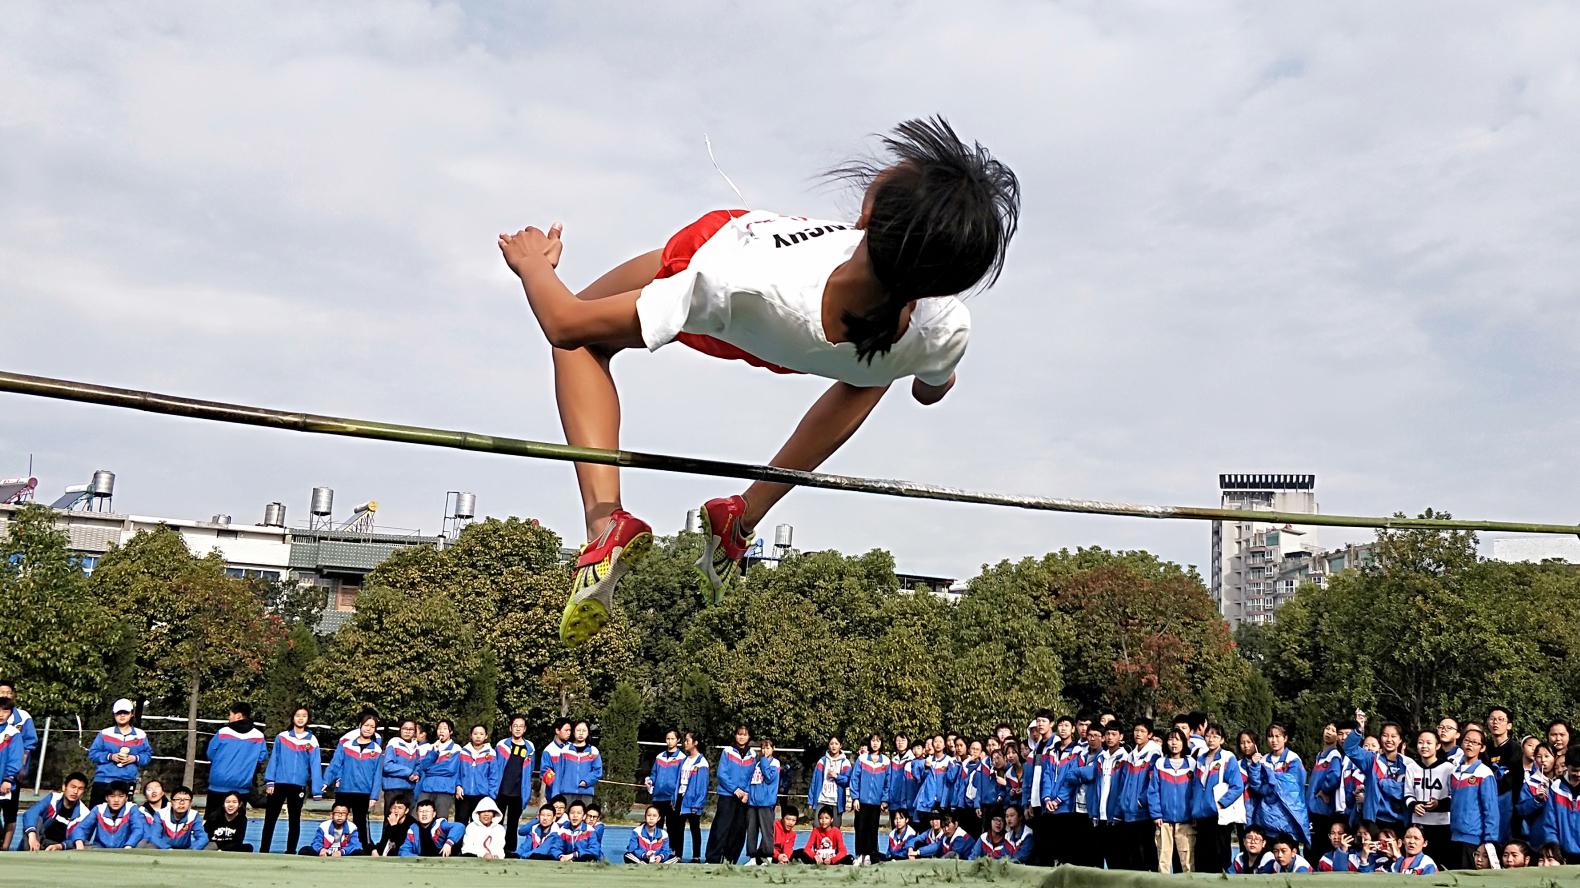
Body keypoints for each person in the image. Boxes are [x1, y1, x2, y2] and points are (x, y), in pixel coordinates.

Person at [517, 117, 1022, 649]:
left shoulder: (731, 281)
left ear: (868, 212)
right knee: (880, 370)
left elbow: (566, 323)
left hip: (724, 290)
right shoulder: (945, 329)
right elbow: (928, 389)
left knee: (583, 347)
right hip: (830, 348)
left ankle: (604, 525)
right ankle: (743, 516)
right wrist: (932, 374)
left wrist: (534, 265)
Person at [262, 705, 323, 854]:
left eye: (304, 715)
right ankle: (264, 850)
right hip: (279, 784)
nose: (301, 718)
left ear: (308, 719)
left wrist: (317, 790)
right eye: (298, 715)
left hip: (298, 786)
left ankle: (290, 851)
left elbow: (315, 765)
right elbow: (274, 759)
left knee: (294, 820)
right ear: (292, 717)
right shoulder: (282, 737)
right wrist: (270, 781)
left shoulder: (312, 740)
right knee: (270, 819)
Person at [1189, 722, 1242, 874]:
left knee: (1220, 857)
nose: (1211, 739)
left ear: (1222, 740)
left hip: (1219, 817)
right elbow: (1195, 787)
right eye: (1208, 735)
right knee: (1202, 858)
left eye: (1215, 736)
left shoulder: (1227, 757)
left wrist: (1220, 804)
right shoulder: (1200, 758)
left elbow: (1237, 786)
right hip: (1201, 815)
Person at [1247, 722, 1308, 852]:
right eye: (1270, 736)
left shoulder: (1293, 759)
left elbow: (1290, 788)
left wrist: (1269, 780)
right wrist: (1254, 766)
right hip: (1267, 818)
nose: (1274, 740)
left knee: (1287, 857)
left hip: (1288, 819)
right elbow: (1256, 786)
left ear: (1285, 738)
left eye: (1278, 736)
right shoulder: (1263, 760)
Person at [323, 711, 382, 840]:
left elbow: (377, 775)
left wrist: (374, 796)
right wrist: (326, 781)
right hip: (344, 790)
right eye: (366, 725)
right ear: (360, 725)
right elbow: (335, 764)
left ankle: (361, 849)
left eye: (372, 727)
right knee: (339, 820)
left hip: (363, 793)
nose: (368, 729)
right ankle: (335, 845)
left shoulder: (377, 750)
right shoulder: (346, 745)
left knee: (360, 823)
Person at [1344, 715, 1410, 829]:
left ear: (1400, 740)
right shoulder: (1371, 760)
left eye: (1393, 736)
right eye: (1385, 735)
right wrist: (1359, 728)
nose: (1389, 740)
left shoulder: (1408, 764)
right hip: (1374, 821)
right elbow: (1350, 748)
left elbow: (1406, 791)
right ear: (1380, 739)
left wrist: (1383, 784)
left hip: (1399, 821)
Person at [1450, 726, 1501, 869]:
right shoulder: (1454, 771)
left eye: (1475, 742)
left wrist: (1489, 840)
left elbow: (1491, 810)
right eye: (1467, 741)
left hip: (1474, 838)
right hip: (1454, 836)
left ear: (1482, 747)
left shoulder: (1484, 773)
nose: (1470, 744)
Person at [206, 702, 268, 814]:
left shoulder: (223, 732)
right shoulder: (259, 736)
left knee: (211, 823)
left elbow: (210, 754)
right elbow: (261, 757)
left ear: (238, 715)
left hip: (218, 784)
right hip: (242, 786)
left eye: (230, 714)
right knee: (237, 823)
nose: (228, 717)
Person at [1148, 728, 1195, 874]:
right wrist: (1156, 814)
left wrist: (1194, 814)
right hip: (1164, 822)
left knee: (1188, 862)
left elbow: (1197, 791)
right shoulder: (1160, 763)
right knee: (1163, 861)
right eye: (1170, 739)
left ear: (1184, 743)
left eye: (1177, 739)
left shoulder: (1192, 764)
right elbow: (1153, 790)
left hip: (1186, 821)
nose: (1174, 743)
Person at [705, 724, 755, 864]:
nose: (742, 737)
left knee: (739, 830)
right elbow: (722, 774)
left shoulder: (753, 755)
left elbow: (753, 776)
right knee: (721, 827)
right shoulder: (727, 751)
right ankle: (713, 858)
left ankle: (730, 858)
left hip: (744, 798)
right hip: (727, 796)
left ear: (749, 737)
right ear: (735, 735)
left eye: (744, 734)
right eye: (739, 734)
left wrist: (746, 792)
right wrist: (735, 790)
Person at [87, 699, 150, 806]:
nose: (122, 715)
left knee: (123, 818)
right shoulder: (105, 733)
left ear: (131, 714)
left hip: (127, 781)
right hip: (103, 781)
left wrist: (134, 758)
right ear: (114, 715)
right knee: (97, 816)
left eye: (125, 712)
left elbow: (147, 755)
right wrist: (110, 756)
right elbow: (93, 754)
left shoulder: (140, 735)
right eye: (118, 713)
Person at [1405, 727, 1454, 855]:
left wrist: (1439, 804)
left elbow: (1453, 795)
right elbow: (1408, 794)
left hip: (1442, 824)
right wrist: (1414, 805)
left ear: (1437, 746)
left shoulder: (1448, 768)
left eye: (1429, 743)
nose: (1424, 746)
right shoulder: (1411, 767)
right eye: (1420, 742)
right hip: (1418, 824)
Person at [0, 683, 36, 850]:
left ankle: (5, 848)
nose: (5, 695)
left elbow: (19, 754)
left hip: (9, 781)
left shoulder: (15, 729)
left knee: (10, 815)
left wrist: (10, 777)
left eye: (8, 692)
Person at [493, 714, 535, 855]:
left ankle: (510, 850)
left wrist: (527, 791)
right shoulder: (501, 745)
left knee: (513, 824)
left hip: (518, 792)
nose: (518, 729)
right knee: (496, 821)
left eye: (521, 726)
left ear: (525, 729)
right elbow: (495, 767)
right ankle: (495, 848)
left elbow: (529, 771)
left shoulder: (530, 748)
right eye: (515, 726)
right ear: (510, 728)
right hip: (501, 790)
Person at [18, 771, 89, 852]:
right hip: (39, 840)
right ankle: (28, 854)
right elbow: (31, 813)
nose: (75, 792)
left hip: (60, 847)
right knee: (37, 820)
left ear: (83, 793)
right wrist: (32, 835)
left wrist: (60, 846)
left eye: (80, 789)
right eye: (73, 787)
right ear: (64, 787)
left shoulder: (84, 813)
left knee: (84, 842)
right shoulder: (53, 798)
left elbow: (79, 838)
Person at [850, 733, 889, 865]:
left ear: (881, 743)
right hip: (862, 802)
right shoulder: (862, 759)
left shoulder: (886, 761)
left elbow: (887, 783)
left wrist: (884, 799)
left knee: (872, 830)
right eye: (873, 740)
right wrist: (855, 798)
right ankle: (859, 855)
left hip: (876, 803)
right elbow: (854, 779)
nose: (875, 743)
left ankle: (868, 856)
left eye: (878, 741)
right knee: (860, 828)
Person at [69, 781, 141, 849]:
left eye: (121, 796)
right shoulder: (98, 809)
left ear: (126, 798)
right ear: (106, 798)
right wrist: (79, 841)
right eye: (112, 796)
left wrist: (129, 845)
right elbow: (81, 828)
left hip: (124, 849)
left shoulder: (132, 808)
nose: (116, 800)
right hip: (99, 849)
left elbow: (138, 829)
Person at [743, 736, 782, 865]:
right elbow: (752, 781)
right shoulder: (757, 764)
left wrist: (764, 761)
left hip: (766, 803)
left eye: (768, 748)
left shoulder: (774, 763)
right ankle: (752, 857)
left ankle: (768, 856)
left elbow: (770, 777)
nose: (765, 751)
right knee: (752, 830)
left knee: (766, 831)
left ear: (773, 749)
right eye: (763, 748)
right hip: (753, 803)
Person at [456, 724, 500, 825]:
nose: (478, 736)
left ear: (486, 736)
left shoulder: (491, 753)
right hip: (464, 795)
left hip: (482, 796)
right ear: (471, 736)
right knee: (460, 824)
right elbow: (457, 772)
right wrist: (458, 785)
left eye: (481, 734)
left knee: (478, 825)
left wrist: (491, 796)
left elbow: (493, 777)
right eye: (475, 734)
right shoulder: (463, 752)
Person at [417, 719, 461, 820]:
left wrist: (430, 770)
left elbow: (450, 769)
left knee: (440, 819)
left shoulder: (456, 748)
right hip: (427, 787)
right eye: (439, 728)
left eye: (445, 728)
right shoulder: (432, 747)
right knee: (421, 817)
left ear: (451, 732)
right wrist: (435, 751)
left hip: (444, 789)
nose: (441, 731)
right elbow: (423, 766)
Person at [139, 784, 207, 850]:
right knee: (146, 845)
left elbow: (202, 837)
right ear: (171, 802)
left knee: (209, 846)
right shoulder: (161, 814)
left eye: (186, 799)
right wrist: (167, 848)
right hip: (163, 848)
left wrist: (191, 850)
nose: (181, 803)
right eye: (177, 799)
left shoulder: (194, 815)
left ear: (190, 802)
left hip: (186, 848)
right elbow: (154, 836)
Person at [675, 732, 709, 862]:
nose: (685, 743)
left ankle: (696, 856)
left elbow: (702, 786)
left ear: (695, 743)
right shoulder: (684, 760)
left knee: (695, 828)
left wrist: (698, 803)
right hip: (681, 797)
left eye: (687, 741)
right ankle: (678, 854)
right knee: (679, 827)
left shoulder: (702, 762)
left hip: (693, 799)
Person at [646, 729, 685, 840]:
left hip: (672, 798)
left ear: (678, 740)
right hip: (658, 797)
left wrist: (676, 795)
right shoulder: (659, 757)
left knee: (672, 826)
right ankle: (655, 848)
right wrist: (650, 781)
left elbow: (681, 778)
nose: (670, 741)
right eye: (668, 738)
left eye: (672, 739)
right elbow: (654, 774)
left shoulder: (682, 758)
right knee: (656, 825)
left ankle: (671, 850)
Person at [1542, 747, 1580, 860]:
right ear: (1566, 766)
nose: (1578, 774)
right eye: (1574, 770)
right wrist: (1552, 842)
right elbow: (1549, 821)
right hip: (1563, 853)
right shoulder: (1556, 788)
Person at [807, 735, 852, 828]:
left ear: (841, 746)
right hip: (821, 799)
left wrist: (836, 776)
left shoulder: (845, 762)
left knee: (835, 830)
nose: (834, 746)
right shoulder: (822, 761)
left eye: (836, 744)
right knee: (817, 827)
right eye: (831, 743)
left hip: (836, 802)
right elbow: (814, 782)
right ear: (828, 745)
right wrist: (810, 801)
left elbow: (848, 781)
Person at [1516, 742, 1556, 843]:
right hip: (1536, 836)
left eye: (1547, 756)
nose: (1543, 760)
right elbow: (1521, 809)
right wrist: (1536, 800)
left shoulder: (1561, 783)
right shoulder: (1530, 783)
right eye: (1539, 756)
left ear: (1555, 758)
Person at [396, 797, 463, 857]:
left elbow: (460, 826)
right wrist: (417, 858)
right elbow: (403, 850)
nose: (424, 814)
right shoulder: (413, 829)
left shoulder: (439, 824)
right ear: (417, 814)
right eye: (421, 811)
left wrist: (449, 843)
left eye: (427, 811)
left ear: (434, 814)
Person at [381, 719, 424, 806]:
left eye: (411, 729)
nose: (407, 732)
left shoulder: (415, 746)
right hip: (393, 788)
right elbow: (387, 766)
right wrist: (409, 772)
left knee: (408, 818)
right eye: (405, 728)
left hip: (409, 789)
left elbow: (418, 765)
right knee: (392, 817)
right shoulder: (393, 743)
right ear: (400, 729)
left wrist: (416, 774)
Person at [560, 720, 603, 806]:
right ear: (573, 732)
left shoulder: (593, 751)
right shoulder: (565, 750)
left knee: (584, 817)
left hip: (586, 793)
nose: (581, 733)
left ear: (588, 733)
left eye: (584, 730)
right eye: (578, 730)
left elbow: (598, 771)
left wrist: (586, 781)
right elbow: (560, 771)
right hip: (567, 792)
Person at [537, 717, 571, 800]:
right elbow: (545, 772)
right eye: (566, 730)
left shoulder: (572, 748)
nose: (569, 733)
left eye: (570, 730)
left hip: (571, 793)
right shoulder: (549, 750)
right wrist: (558, 785)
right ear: (557, 731)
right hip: (554, 795)